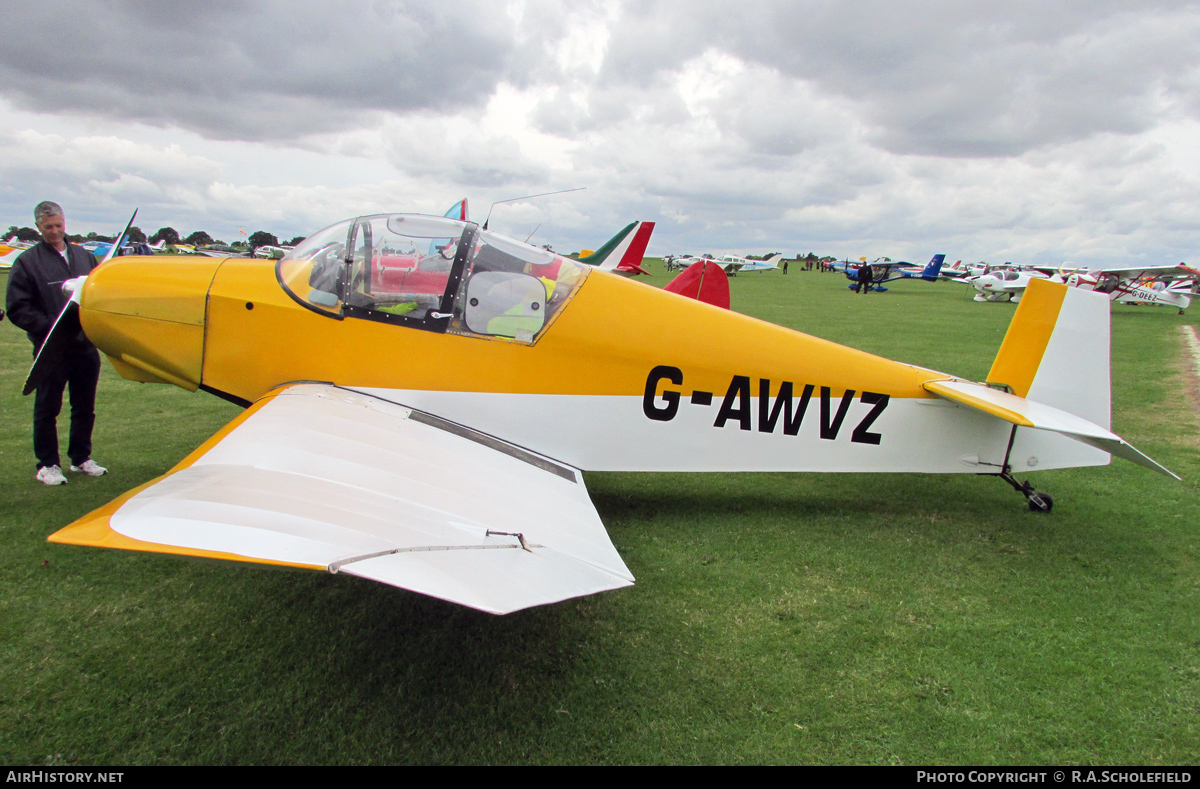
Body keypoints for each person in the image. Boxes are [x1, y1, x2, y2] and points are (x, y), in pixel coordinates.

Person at [5, 201, 107, 485]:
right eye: (48, 227)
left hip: (85, 346)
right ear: (39, 227)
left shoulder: (83, 256)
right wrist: (52, 326)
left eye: (59, 225)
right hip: (52, 347)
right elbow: (17, 308)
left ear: (65, 223)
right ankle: (47, 464)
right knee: (47, 408)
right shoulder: (27, 262)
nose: (54, 231)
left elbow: (96, 293)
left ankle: (81, 458)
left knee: (84, 406)